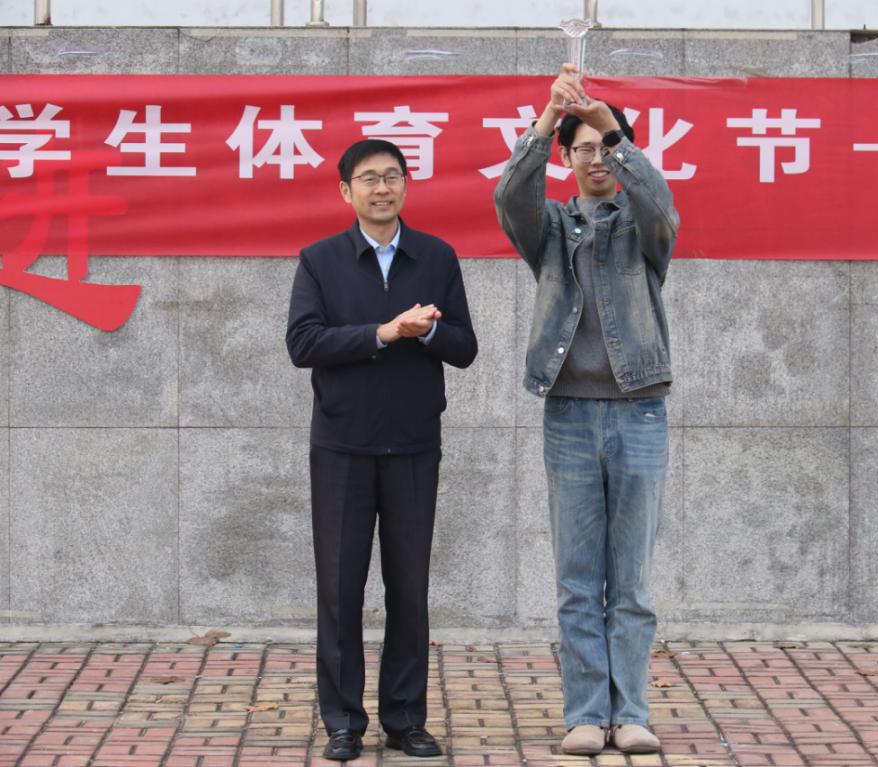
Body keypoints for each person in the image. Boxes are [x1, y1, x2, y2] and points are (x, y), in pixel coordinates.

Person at [493, 65, 679, 756]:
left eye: (605, 149)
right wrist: (548, 120)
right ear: (567, 159)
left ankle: (631, 712)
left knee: (630, 580)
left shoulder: (642, 228)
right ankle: (585, 713)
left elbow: (658, 201)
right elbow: (509, 194)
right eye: (584, 150)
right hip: (569, 415)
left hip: (639, 413)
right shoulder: (548, 227)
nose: (596, 159)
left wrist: (612, 129)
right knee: (577, 579)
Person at [286, 138, 477, 762]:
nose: (382, 188)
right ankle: (343, 722)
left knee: (409, 588)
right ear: (346, 191)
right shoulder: (321, 260)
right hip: (342, 445)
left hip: (415, 443)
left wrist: (427, 332)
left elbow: (465, 347)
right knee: (340, 589)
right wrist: (383, 332)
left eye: (393, 176)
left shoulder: (436, 256)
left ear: (406, 185)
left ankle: (405, 718)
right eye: (368, 178)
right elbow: (303, 344)